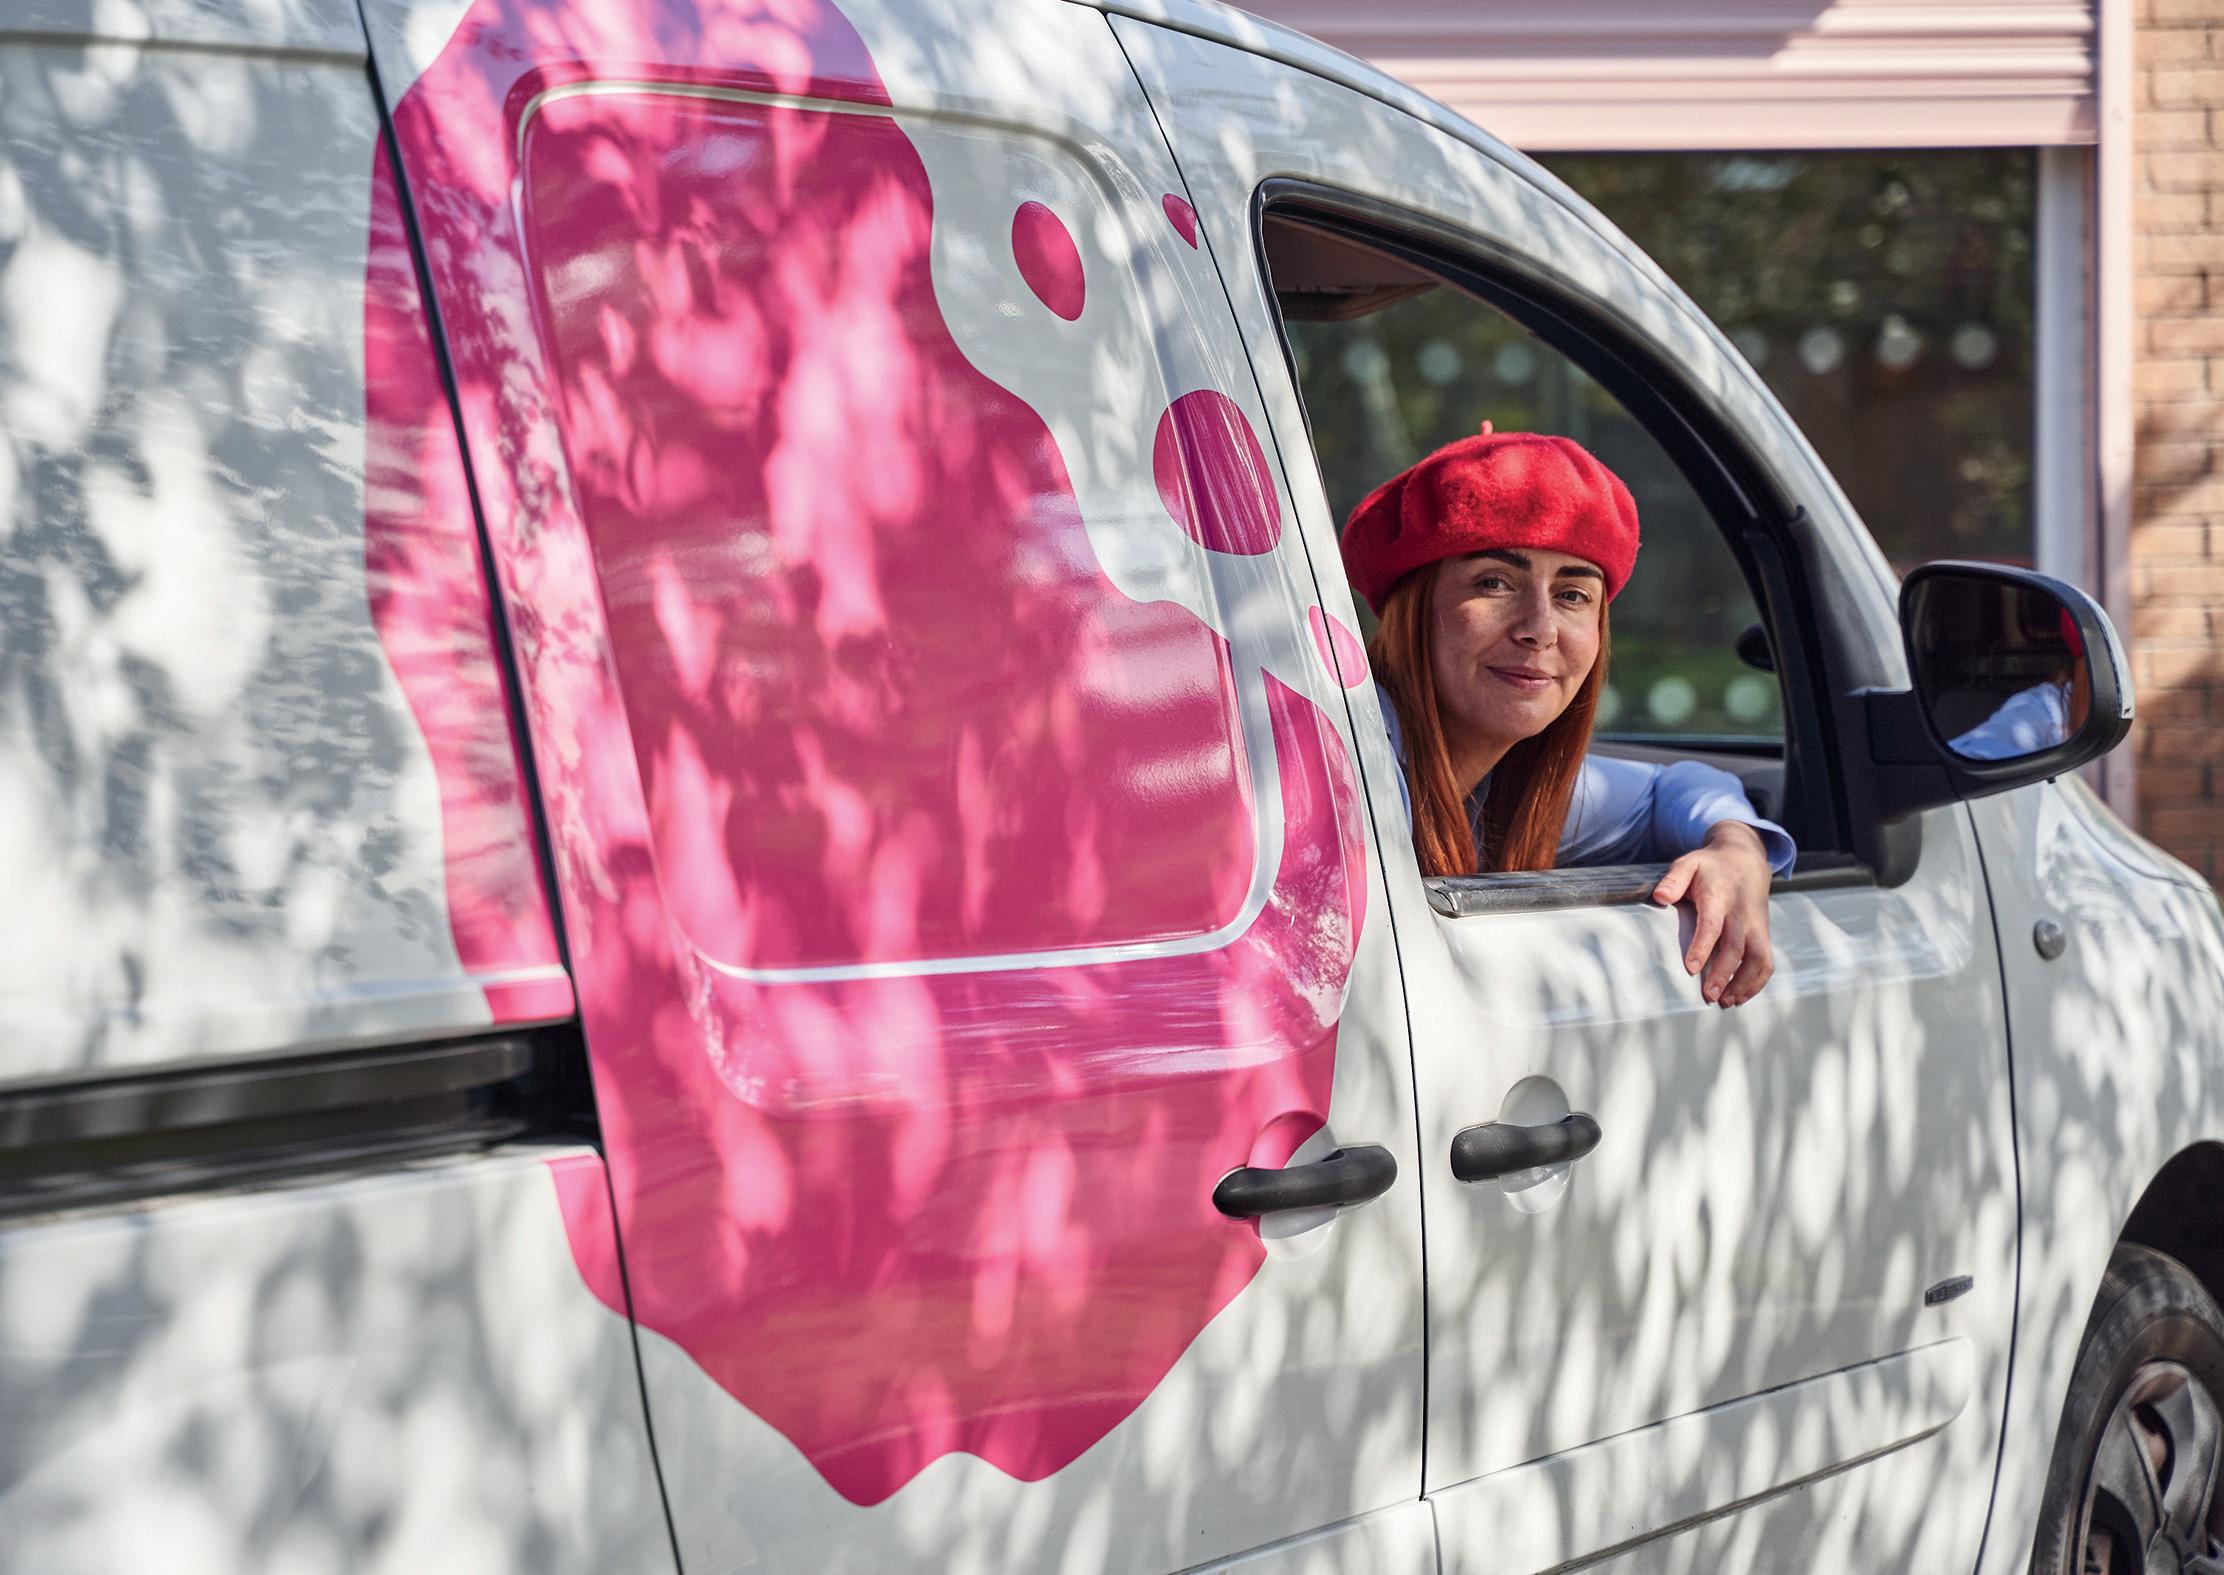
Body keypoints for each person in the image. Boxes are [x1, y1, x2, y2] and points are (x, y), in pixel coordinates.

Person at [1341, 425, 1795, 1009]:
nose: (1540, 628)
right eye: (1494, 582)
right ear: (1413, 611)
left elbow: (1670, 789)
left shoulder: (1516, 782)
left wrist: (1738, 849)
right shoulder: (1345, 769)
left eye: (1573, 595)